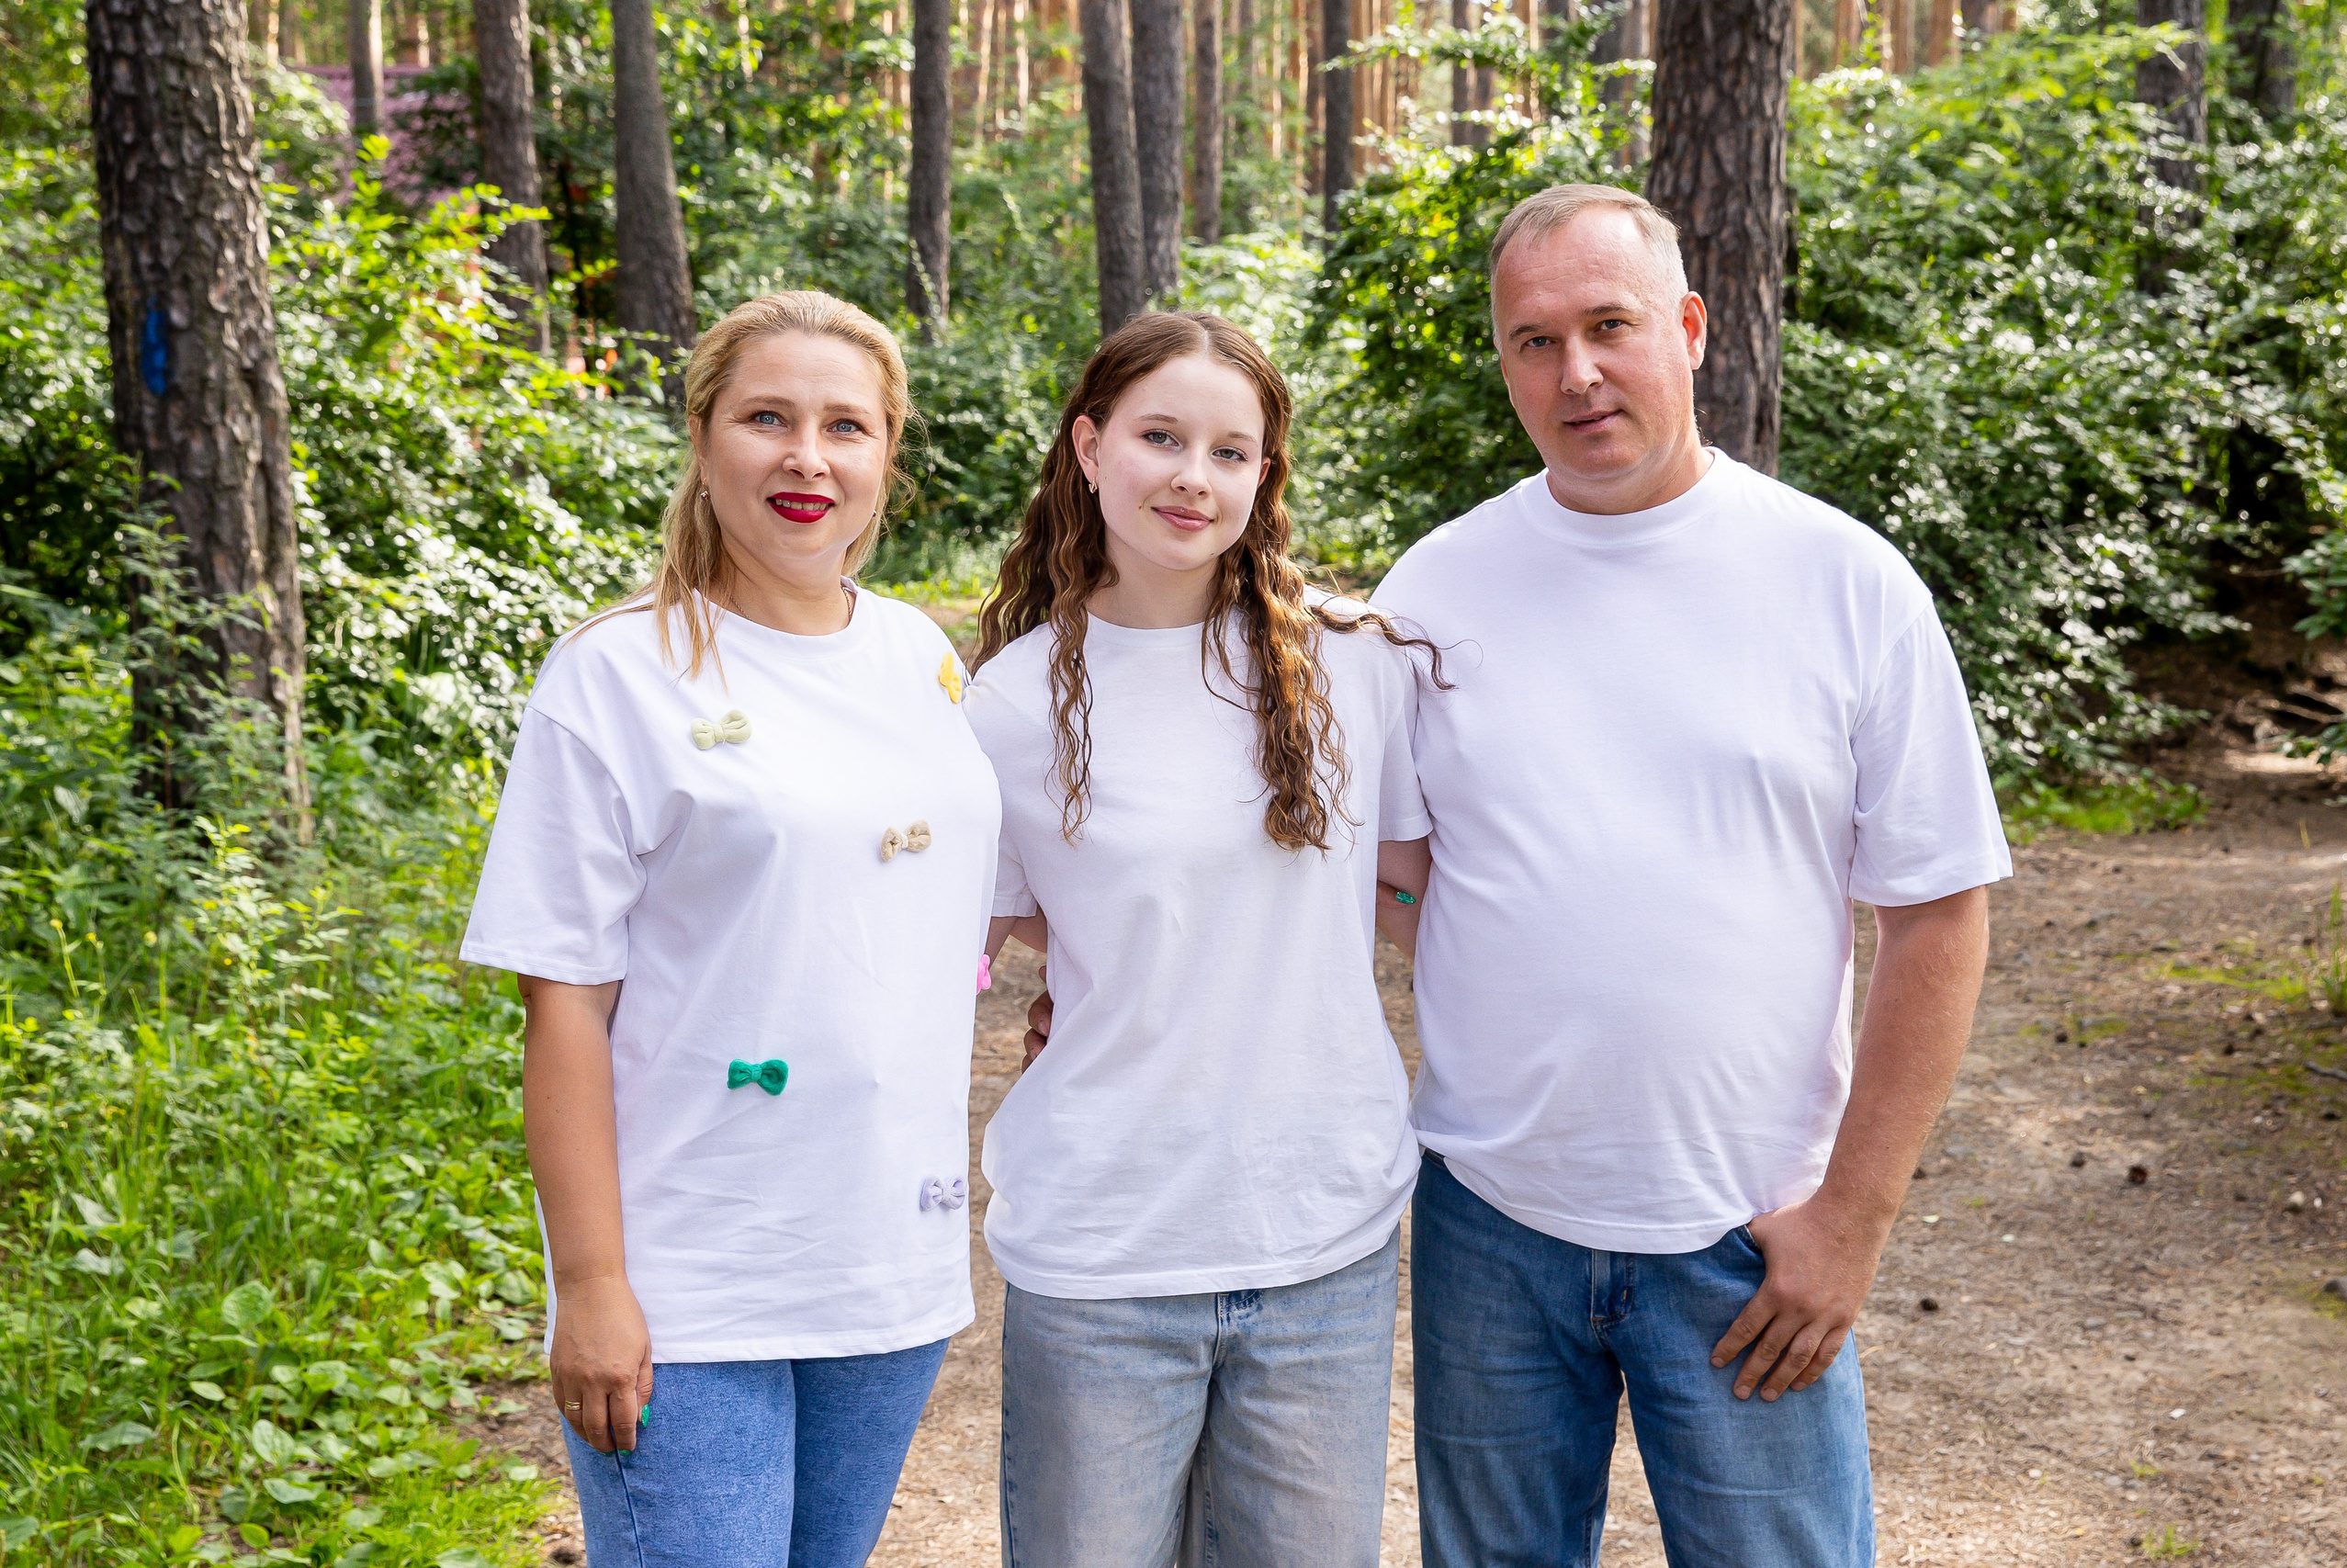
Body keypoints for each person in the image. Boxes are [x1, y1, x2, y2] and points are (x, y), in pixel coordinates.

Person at [1369, 184, 2013, 1567]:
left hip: (1751, 1229)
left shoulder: (1845, 582)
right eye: (1534, 341)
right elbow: (1396, 878)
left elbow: (1940, 915)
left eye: (1609, 326)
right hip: (1491, 1221)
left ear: (1693, 327)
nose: (1576, 373)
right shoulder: (1433, 591)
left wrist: (1851, 1221)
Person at [459, 291, 1001, 1567]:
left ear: (887, 456)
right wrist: (592, 1288)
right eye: (768, 418)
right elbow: (564, 1007)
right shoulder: (616, 674)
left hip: (886, 1264)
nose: (808, 457)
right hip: (688, 1282)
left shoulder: (921, 660)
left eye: (846, 426)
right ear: (705, 440)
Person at [964, 311, 1434, 1568]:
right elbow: (976, 949)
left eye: (1233, 451)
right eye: (1160, 437)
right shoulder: (1007, 707)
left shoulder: (1350, 667)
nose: (1193, 476)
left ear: (1264, 478)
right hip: (1104, 1253)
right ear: (1088, 445)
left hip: (1319, 1241)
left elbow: (1425, 893)